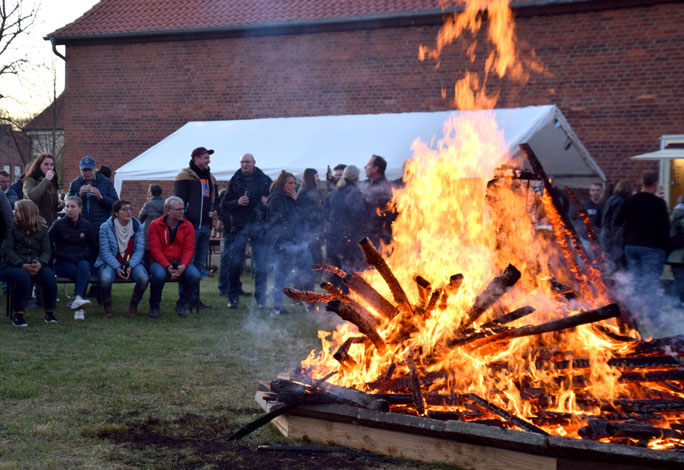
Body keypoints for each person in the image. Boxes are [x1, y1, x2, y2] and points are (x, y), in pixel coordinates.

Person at [615, 170, 670, 326]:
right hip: (652, 248)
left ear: (641, 182)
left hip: (631, 247)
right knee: (651, 283)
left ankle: (633, 317)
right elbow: (665, 228)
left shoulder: (630, 200)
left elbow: (617, 221)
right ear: (654, 184)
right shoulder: (659, 203)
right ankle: (653, 319)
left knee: (633, 282)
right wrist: (666, 249)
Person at [220, 153, 272, 309]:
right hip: (240, 227)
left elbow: (275, 200)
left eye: (247, 162)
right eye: (242, 162)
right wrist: (237, 202)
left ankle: (261, 298)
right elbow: (224, 204)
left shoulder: (264, 180)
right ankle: (233, 296)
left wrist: (267, 203)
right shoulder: (235, 180)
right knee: (235, 264)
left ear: (254, 163)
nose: (245, 165)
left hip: (259, 226)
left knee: (261, 265)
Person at [0, 200, 58, 327]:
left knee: (49, 277)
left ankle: (49, 312)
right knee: (22, 277)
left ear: (26, 212)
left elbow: (46, 250)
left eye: (17, 210)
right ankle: (18, 315)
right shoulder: (10, 228)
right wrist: (21, 264)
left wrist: (40, 263)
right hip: (11, 266)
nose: (14, 213)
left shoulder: (42, 229)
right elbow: (6, 250)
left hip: (35, 264)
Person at [175, 146, 218, 309]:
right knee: (187, 263)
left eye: (208, 158)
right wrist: (182, 223)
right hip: (189, 227)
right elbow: (178, 202)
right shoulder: (184, 176)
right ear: (196, 159)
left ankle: (195, 298)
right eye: (205, 157)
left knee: (199, 264)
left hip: (205, 227)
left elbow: (216, 201)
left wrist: (215, 212)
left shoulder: (210, 178)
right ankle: (184, 299)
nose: (208, 161)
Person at [147, 196, 200, 318]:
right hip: (160, 262)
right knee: (159, 275)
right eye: (177, 209)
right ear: (168, 210)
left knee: (195, 275)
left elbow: (189, 249)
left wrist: (183, 265)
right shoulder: (155, 225)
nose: (181, 212)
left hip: (180, 261)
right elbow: (155, 249)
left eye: (182, 209)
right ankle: (154, 306)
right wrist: (167, 266)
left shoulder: (188, 226)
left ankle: (182, 304)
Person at [267, 171, 312, 315]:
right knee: (281, 274)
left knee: (306, 268)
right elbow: (278, 221)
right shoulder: (276, 198)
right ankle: (277, 306)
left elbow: (303, 217)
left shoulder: (292, 198)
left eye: (294, 183)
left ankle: (306, 299)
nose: (293, 186)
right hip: (282, 242)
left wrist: (296, 200)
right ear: (282, 183)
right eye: (290, 183)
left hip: (296, 241)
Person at [94, 199, 149, 318]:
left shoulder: (137, 226)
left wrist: (131, 266)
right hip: (110, 261)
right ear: (116, 213)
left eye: (130, 209)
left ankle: (134, 305)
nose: (128, 212)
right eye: (124, 209)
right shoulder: (106, 227)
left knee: (144, 278)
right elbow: (105, 251)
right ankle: (107, 306)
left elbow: (139, 250)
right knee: (106, 278)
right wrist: (117, 267)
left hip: (132, 262)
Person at [49, 195, 97, 320]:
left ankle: (77, 300)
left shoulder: (86, 225)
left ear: (80, 209)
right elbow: (48, 246)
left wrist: (83, 256)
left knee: (84, 266)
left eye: (73, 207)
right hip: (62, 263)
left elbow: (92, 246)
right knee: (83, 274)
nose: (69, 209)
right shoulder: (58, 224)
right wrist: (63, 255)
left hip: (80, 261)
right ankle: (79, 302)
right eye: (67, 206)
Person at [325, 165, 368, 273]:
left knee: (336, 274)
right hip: (348, 243)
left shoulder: (333, 193)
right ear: (356, 178)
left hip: (333, 240)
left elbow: (326, 214)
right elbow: (360, 217)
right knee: (350, 277)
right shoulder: (354, 193)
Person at [68, 156, 119, 244]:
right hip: (81, 227)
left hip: (101, 228)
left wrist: (101, 197)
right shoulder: (75, 183)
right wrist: (79, 196)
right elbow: (68, 205)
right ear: (80, 170)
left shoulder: (105, 182)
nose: (87, 173)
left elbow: (116, 204)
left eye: (90, 170)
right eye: (84, 170)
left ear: (95, 168)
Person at [296, 168, 324, 289]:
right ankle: (302, 292)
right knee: (305, 265)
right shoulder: (305, 193)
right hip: (306, 234)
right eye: (316, 176)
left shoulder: (315, 192)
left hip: (313, 233)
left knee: (309, 265)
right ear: (311, 177)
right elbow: (305, 215)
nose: (318, 179)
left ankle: (303, 291)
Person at [599, 179, 633, 272]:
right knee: (616, 263)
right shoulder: (620, 201)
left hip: (605, 232)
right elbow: (616, 222)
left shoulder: (610, 199)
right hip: (613, 235)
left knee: (608, 261)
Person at [23, 153, 64, 227]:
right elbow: (31, 196)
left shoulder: (52, 182)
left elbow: (50, 208)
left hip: (51, 225)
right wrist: (46, 180)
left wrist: (60, 205)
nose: (49, 167)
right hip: (36, 225)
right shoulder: (30, 180)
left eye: (51, 165)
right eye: (46, 164)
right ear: (39, 166)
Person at [361, 154, 394, 246]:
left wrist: (384, 238)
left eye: (368, 165)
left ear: (376, 168)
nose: (365, 167)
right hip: (367, 236)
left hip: (379, 239)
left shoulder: (385, 189)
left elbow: (389, 217)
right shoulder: (366, 185)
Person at [138, 183, 164, 265]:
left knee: (146, 256)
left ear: (151, 193)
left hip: (148, 234)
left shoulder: (148, 205)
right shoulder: (166, 205)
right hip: (161, 233)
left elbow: (140, 218)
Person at [667, 195, 684, 306]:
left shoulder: (671, 217)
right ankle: (675, 303)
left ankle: (675, 302)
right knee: (680, 281)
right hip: (681, 256)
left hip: (672, 255)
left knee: (678, 279)